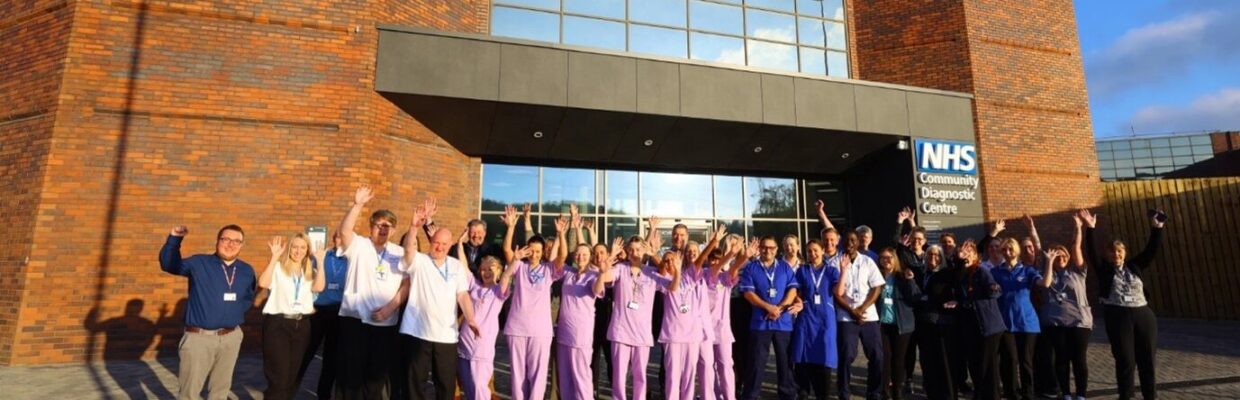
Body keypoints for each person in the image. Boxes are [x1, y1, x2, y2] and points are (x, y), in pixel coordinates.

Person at [159, 224, 255, 400]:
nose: (230, 244)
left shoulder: (246, 271)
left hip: (231, 338)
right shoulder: (199, 263)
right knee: (190, 392)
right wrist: (174, 240)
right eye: (226, 239)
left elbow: (247, 298)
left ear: (241, 245)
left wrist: (232, 315)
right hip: (199, 339)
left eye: (236, 241)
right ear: (217, 241)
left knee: (221, 390)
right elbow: (169, 265)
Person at [334, 185, 411, 399]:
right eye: (379, 225)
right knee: (352, 376)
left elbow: (406, 284)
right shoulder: (358, 244)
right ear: (371, 227)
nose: (383, 229)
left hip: (384, 323)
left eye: (388, 226)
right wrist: (358, 204)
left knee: (377, 377)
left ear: (394, 230)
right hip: (355, 321)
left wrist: (390, 308)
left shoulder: (399, 252)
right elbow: (345, 231)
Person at [1083, 208, 1164, 400]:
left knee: (1147, 361)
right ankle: (1126, 396)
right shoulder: (1104, 269)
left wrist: (1157, 228)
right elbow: (1092, 254)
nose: (1116, 255)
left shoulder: (1134, 266)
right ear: (1109, 254)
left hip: (1143, 314)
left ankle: (1150, 396)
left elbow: (1151, 250)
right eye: (1113, 252)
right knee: (1125, 360)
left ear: (1124, 252)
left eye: (1119, 251)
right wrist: (1090, 229)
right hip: (1118, 316)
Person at [595, 234, 677, 400]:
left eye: (638, 249)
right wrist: (609, 258)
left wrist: (657, 257)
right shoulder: (620, 269)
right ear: (626, 251)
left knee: (640, 377)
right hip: (620, 332)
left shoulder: (652, 273)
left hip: (642, 334)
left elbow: (672, 287)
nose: (634, 253)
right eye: (631, 249)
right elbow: (603, 280)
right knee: (619, 376)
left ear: (644, 251)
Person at [500, 206, 569, 400]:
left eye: (538, 251)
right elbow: (506, 250)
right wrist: (511, 226)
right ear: (526, 249)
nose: (535, 254)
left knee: (538, 375)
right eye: (532, 250)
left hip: (540, 331)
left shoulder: (549, 270)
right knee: (518, 375)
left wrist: (560, 234)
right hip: (516, 328)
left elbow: (562, 256)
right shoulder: (519, 266)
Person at [258, 234, 326, 400]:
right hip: (278, 324)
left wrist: (321, 261)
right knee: (278, 378)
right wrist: (274, 257)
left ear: (307, 250)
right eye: (295, 247)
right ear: (289, 249)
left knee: (291, 378)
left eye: (303, 247)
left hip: (301, 325)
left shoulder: (310, 271)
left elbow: (319, 287)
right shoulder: (279, 268)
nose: (298, 251)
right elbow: (263, 283)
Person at [661, 226, 725, 400]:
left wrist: (716, 243)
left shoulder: (698, 273)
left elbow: (708, 261)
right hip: (675, 332)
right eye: (688, 251)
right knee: (674, 374)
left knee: (699, 370)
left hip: (698, 330)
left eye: (694, 251)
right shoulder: (667, 276)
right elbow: (669, 278)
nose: (691, 254)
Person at [555, 237, 619, 400]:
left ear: (590, 256)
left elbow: (597, 290)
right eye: (577, 254)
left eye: (584, 254)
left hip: (580, 335)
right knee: (565, 378)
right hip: (563, 334)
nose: (580, 257)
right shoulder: (568, 272)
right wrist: (561, 234)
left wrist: (602, 274)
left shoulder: (593, 275)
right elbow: (556, 259)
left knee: (581, 376)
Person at [738, 235, 800, 400]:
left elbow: (793, 290)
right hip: (760, 323)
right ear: (760, 249)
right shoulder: (751, 268)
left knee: (785, 362)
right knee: (757, 363)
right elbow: (748, 293)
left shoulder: (785, 267)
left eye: (771, 248)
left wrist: (779, 308)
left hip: (783, 323)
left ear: (776, 250)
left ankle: (787, 394)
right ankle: (751, 395)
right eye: (764, 247)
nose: (768, 250)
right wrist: (768, 307)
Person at [1038, 215, 1092, 400]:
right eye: (1056, 254)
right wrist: (1049, 262)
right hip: (1055, 323)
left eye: (1063, 254)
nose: (1060, 256)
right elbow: (1044, 284)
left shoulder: (1078, 271)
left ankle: (1081, 394)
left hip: (1078, 322)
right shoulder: (1047, 274)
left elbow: (1076, 246)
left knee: (1079, 360)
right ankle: (1066, 393)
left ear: (1068, 257)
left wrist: (1078, 226)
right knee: (1061, 359)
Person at [950, 240, 1006, 400]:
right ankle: (980, 393)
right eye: (962, 252)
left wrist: (965, 301)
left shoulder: (981, 271)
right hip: (971, 326)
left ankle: (991, 395)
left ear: (976, 256)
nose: (965, 255)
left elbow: (994, 292)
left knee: (987, 365)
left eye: (969, 252)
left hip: (987, 325)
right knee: (974, 363)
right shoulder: (960, 274)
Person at [834, 231, 886, 400]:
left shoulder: (868, 261)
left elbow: (876, 287)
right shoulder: (835, 262)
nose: (849, 243)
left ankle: (874, 392)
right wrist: (851, 311)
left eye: (853, 240)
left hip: (868, 315)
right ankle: (844, 392)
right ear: (841, 243)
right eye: (847, 240)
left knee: (877, 355)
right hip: (846, 316)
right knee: (846, 355)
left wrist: (862, 308)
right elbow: (835, 293)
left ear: (858, 243)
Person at [788, 238, 842, 400]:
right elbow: (795, 292)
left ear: (823, 251)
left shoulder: (832, 271)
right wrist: (797, 301)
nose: (812, 254)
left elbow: (838, 292)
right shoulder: (802, 270)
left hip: (825, 319)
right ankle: (803, 392)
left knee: (824, 355)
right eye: (809, 251)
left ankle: (823, 393)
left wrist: (844, 271)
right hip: (806, 317)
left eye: (815, 250)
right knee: (802, 356)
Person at [297, 231, 348, 399]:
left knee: (331, 359)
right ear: (333, 239)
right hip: (318, 311)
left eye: (344, 236)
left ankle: (323, 395)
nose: (340, 239)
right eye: (337, 236)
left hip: (340, 313)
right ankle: (289, 390)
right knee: (305, 353)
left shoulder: (353, 259)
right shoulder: (322, 255)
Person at [992, 237, 1042, 400]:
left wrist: (1048, 263)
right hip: (1005, 323)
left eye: (1010, 249)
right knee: (1009, 361)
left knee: (1026, 361)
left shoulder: (1027, 270)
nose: (1007, 253)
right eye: (1004, 250)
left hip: (1027, 323)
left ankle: (1028, 394)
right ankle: (1011, 393)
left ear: (1017, 251)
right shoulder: (995, 272)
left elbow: (1045, 283)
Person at [457, 254, 509, 400]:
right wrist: (460, 244)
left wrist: (515, 260)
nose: (486, 272)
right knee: (468, 387)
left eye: (491, 269)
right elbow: (464, 268)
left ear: (499, 271)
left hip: (482, 347)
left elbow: (506, 277)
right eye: (483, 269)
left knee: (480, 385)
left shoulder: (499, 291)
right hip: (465, 343)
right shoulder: (474, 286)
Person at [915, 245, 959, 400]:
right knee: (927, 361)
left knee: (944, 361)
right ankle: (932, 393)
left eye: (937, 255)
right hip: (925, 324)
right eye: (930, 254)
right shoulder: (923, 274)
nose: (933, 257)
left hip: (942, 324)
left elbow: (959, 271)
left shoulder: (946, 273)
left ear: (942, 258)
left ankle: (948, 395)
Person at [877, 247, 920, 400]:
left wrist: (910, 281)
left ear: (895, 259)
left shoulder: (902, 276)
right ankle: (884, 392)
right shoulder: (877, 276)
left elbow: (914, 297)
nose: (886, 260)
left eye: (889, 257)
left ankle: (897, 392)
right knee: (885, 358)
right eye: (883, 257)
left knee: (898, 359)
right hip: (883, 324)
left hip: (902, 324)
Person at [708, 234, 746, 400]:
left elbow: (733, 268)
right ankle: (715, 396)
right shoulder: (703, 276)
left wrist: (740, 254)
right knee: (709, 367)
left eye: (718, 260)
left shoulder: (726, 278)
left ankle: (730, 396)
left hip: (722, 330)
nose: (715, 263)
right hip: (705, 331)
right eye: (713, 260)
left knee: (725, 365)